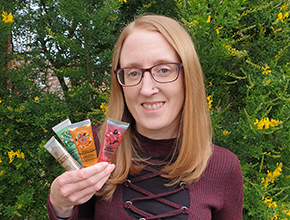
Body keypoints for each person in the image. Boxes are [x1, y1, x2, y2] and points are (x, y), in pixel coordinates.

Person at [47, 14, 244, 220]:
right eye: (133, 73)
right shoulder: (93, 149)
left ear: (189, 77)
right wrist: (61, 207)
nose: (147, 89)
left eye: (164, 70)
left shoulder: (223, 167)